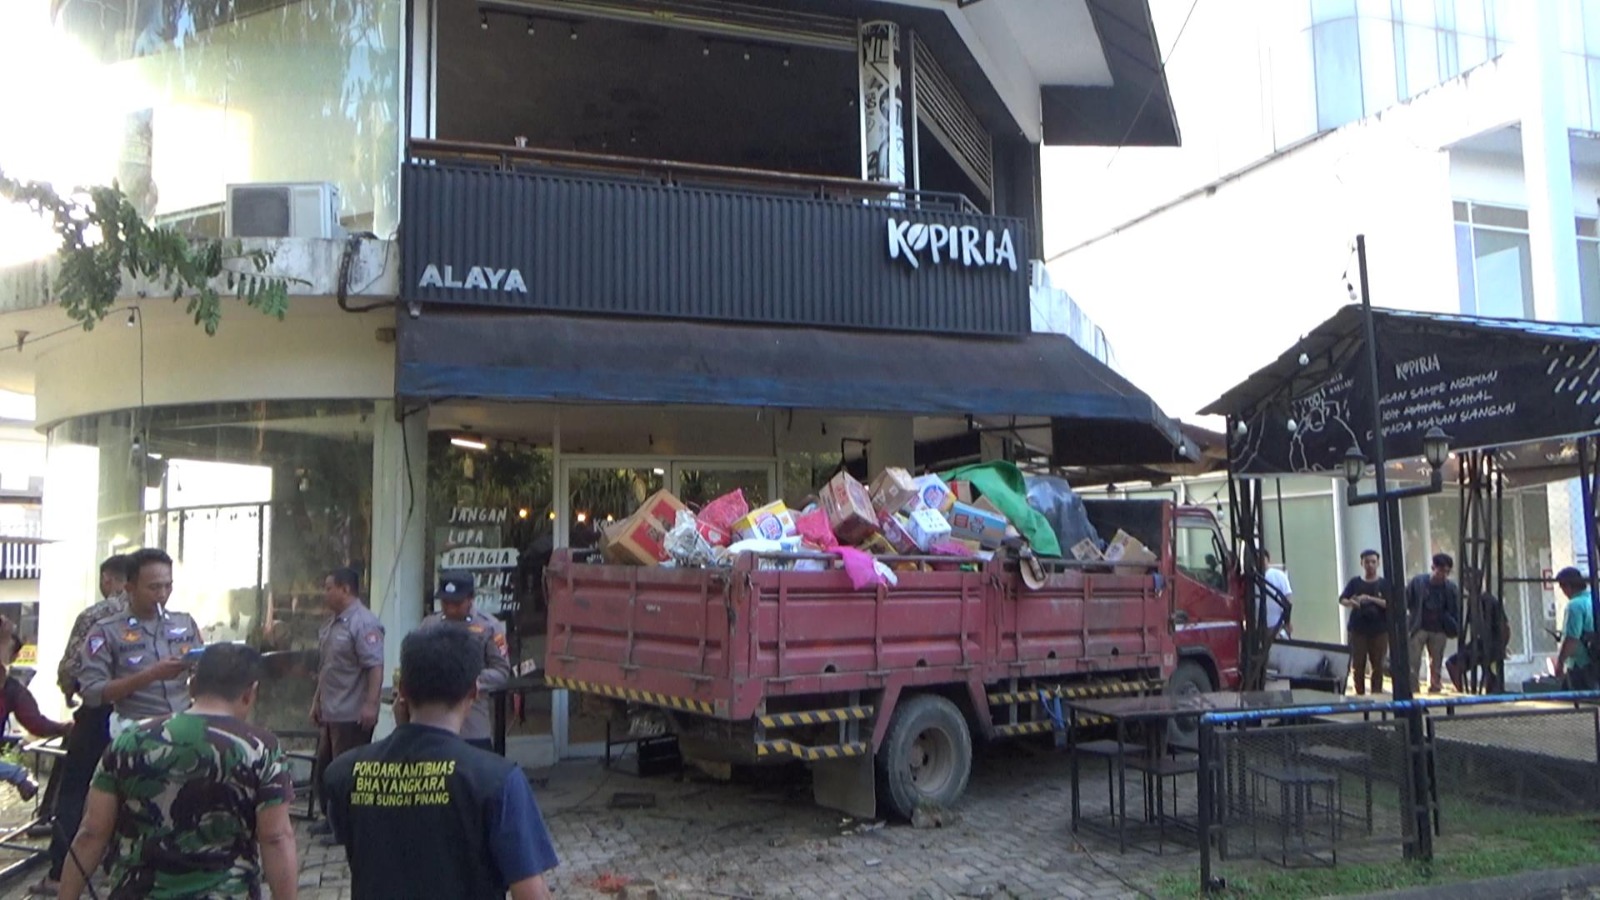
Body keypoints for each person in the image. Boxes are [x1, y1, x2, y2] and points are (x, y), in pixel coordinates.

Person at [324, 628, 558, 900]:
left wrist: (404, 735)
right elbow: (531, 894)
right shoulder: (497, 780)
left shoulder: (343, 773)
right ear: (474, 691)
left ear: (402, 691)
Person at [57, 643, 298, 900]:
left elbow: (92, 832)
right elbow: (275, 837)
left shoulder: (130, 740)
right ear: (250, 693)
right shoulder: (261, 748)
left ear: (192, 686)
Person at [32, 554, 134, 896]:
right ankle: (122, 865)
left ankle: (64, 871)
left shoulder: (95, 615)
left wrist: (69, 693)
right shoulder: (154, 617)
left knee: (77, 789)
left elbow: (70, 668)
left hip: (98, 714)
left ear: (108, 579)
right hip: (142, 716)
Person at [75, 548, 204, 728]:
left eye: (168, 586)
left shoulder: (184, 624)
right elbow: (92, 692)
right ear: (130, 588)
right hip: (135, 728)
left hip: (183, 725)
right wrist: (150, 675)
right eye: (154, 587)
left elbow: (201, 676)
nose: (162, 594)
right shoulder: (105, 631)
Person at [395, 572, 511, 751]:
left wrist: (465, 679)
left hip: (472, 722)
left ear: (471, 598)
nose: (450, 608)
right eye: (445, 603)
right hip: (432, 721)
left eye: (456, 603)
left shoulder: (489, 626)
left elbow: (501, 672)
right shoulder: (429, 625)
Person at [309, 567, 384, 836]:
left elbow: (374, 666)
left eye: (329, 588)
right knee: (325, 770)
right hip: (331, 710)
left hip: (352, 712)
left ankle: (347, 827)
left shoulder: (363, 623)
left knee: (347, 773)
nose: (325, 593)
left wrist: (371, 704)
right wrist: (317, 701)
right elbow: (327, 667)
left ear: (345, 589)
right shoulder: (333, 624)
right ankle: (331, 820)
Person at [1405, 552, 1461, 694]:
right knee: (1413, 661)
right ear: (1433, 568)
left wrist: (1451, 625)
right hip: (1419, 627)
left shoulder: (1450, 588)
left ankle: (1435, 687)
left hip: (1439, 629)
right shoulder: (1418, 582)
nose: (1443, 575)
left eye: (1447, 572)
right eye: (1441, 570)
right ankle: (1413, 689)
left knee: (1436, 663)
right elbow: (1406, 600)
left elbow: (1454, 609)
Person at [1339, 549, 1390, 695]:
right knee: (1358, 664)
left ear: (1378, 563)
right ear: (1362, 563)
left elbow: (1389, 603)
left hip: (1379, 630)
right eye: (1367, 562)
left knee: (1378, 665)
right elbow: (1342, 599)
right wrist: (1352, 602)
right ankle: (1359, 693)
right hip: (1358, 629)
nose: (1370, 565)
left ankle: (1376, 693)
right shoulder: (1355, 582)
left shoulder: (1384, 583)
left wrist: (1369, 598)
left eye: (1373, 562)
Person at [1446, 591, 1511, 694]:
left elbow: (1505, 627)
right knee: (1453, 663)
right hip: (1482, 642)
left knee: (1486, 665)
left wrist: (1502, 645)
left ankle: (1493, 687)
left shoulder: (1489, 601)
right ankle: (1462, 688)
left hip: (1491, 643)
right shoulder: (1472, 601)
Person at [1554, 567, 1596, 690]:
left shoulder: (1574, 606)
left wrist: (1560, 662)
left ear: (1567, 586)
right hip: (1595, 660)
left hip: (1580, 664)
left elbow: (1572, 639)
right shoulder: (1593, 600)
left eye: (1562, 588)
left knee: (1570, 701)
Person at [1261, 549, 1293, 637]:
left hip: (1277, 624)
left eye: (1262, 558)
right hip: (1259, 626)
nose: (1259, 561)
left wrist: (1287, 621)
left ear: (1267, 559)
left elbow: (1288, 597)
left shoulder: (1278, 575)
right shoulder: (1252, 579)